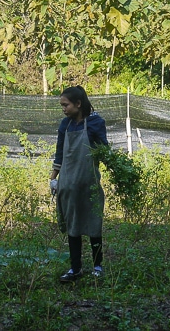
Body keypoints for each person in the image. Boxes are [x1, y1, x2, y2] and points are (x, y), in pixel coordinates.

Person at [49, 86, 108, 282]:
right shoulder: (65, 126)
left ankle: (98, 266)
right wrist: (53, 178)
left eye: (65, 105)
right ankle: (76, 268)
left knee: (93, 223)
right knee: (73, 225)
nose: (63, 109)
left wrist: (117, 168)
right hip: (68, 183)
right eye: (62, 105)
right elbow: (59, 153)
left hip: (88, 182)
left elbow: (104, 151)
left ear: (78, 104)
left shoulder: (95, 123)